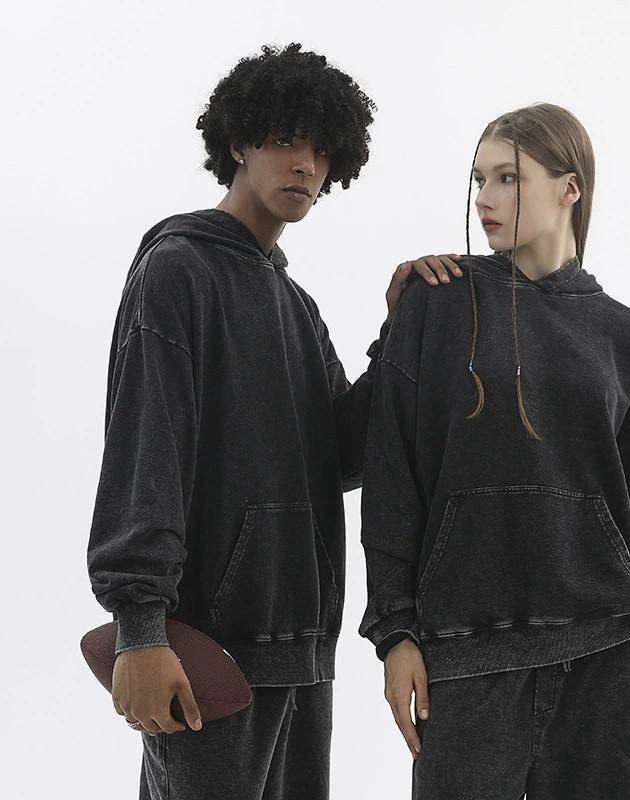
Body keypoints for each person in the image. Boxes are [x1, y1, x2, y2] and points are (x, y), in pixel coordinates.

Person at [85, 42, 463, 800]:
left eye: (322, 151)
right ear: (238, 142)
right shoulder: (178, 271)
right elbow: (146, 452)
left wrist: (402, 331)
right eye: (286, 140)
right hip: (206, 657)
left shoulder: (295, 307)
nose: (306, 166)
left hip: (302, 655)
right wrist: (140, 631)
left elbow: (343, 456)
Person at [358, 102, 630, 799]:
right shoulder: (435, 301)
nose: (485, 198)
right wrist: (394, 633)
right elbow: (391, 476)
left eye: (509, 178)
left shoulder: (626, 336)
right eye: (479, 180)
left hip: (612, 653)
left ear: (569, 188)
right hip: (466, 653)